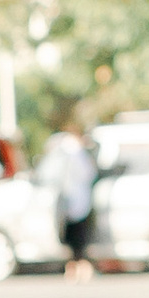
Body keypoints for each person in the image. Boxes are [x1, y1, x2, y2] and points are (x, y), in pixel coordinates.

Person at [42, 118, 99, 279]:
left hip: (65, 200)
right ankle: (78, 267)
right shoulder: (77, 153)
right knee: (79, 237)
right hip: (79, 199)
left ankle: (73, 268)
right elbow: (88, 174)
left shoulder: (60, 151)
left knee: (71, 236)